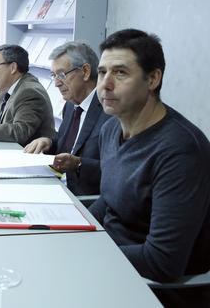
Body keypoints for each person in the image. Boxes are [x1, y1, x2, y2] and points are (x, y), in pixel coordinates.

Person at [89, 29, 210, 307]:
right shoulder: (111, 129)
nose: (105, 85)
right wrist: (76, 231)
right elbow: (109, 200)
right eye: (102, 72)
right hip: (110, 262)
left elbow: (163, 262)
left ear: (153, 79)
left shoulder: (180, 150)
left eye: (120, 73)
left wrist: (90, 251)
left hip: (153, 288)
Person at [24, 42, 110, 195]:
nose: (56, 83)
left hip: (85, 198)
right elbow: (66, 145)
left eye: (62, 75)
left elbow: (116, 170)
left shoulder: (109, 110)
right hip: (59, 186)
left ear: (85, 71)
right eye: (54, 76)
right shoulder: (70, 105)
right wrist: (48, 143)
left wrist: (78, 164)